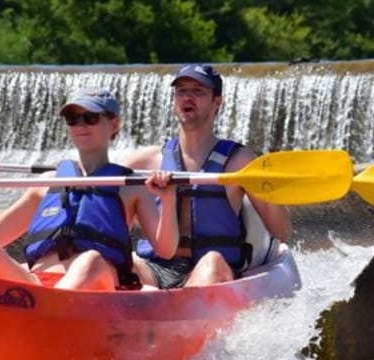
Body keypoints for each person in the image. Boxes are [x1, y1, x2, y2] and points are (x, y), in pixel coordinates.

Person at [0, 88, 178, 291]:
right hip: (36, 287)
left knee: (89, 260)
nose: (81, 125)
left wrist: (167, 200)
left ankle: (44, 314)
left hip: (95, 289)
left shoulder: (130, 186)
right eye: (73, 119)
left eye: (90, 118)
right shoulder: (47, 182)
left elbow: (166, 249)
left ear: (113, 124)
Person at [123, 64, 292, 288]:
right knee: (114, 261)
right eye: (182, 91)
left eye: (198, 91)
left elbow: (281, 231)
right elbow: (95, 178)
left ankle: (180, 314)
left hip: (214, 274)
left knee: (210, 263)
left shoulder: (240, 162)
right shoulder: (147, 160)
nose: (188, 98)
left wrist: (269, 186)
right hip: (156, 268)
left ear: (217, 102)